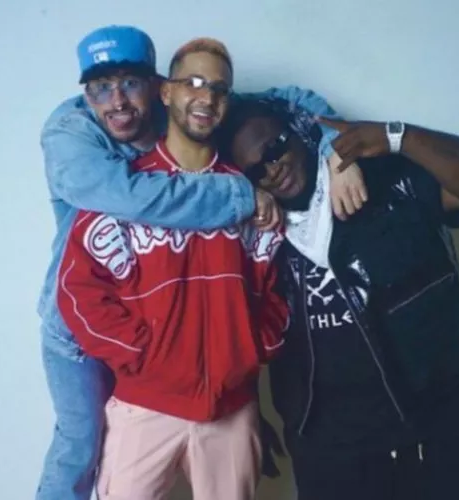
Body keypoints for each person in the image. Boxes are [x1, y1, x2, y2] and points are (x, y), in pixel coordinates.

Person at [35, 25, 351, 500]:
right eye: (100, 87)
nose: (117, 101)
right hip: (77, 336)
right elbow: (129, 200)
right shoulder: (71, 131)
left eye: (130, 83)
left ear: (157, 86)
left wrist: (335, 149)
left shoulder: (195, 102)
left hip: (196, 375)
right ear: (87, 94)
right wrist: (242, 195)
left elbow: (289, 100)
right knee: (78, 449)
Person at [224, 97, 459, 500]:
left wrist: (399, 137)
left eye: (275, 149)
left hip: (436, 430)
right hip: (332, 453)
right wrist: (246, 411)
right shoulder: (257, 239)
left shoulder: (388, 181)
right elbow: (245, 331)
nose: (273, 169)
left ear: (299, 133)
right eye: (255, 171)